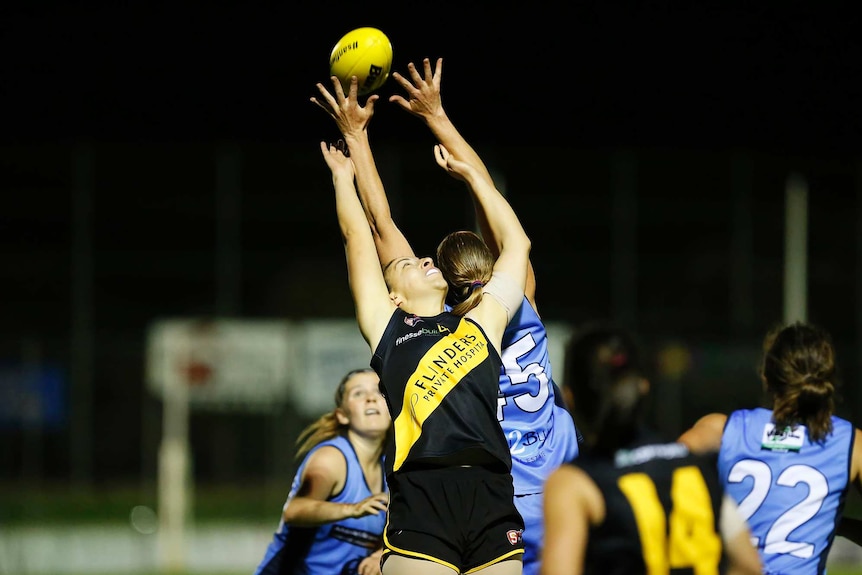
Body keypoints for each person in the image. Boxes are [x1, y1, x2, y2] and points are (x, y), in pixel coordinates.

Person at [315, 56, 579, 575]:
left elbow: (378, 223)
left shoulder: (449, 323)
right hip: (551, 485)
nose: (422, 263)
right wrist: (438, 118)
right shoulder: (510, 307)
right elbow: (509, 236)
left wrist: (358, 144)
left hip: (491, 489)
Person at [541, 322, 762, 575]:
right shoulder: (695, 465)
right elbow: (749, 566)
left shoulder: (574, 483)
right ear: (644, 387)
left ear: (569, 397)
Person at [678, 321, 862, 573]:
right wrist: (835, 524)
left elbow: (655, 475)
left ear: (766, 375)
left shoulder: (718, 430)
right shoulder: (852, 444)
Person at [253, 368, 391, 575]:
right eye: (358, 393)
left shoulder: (393, 470)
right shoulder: (331, 459)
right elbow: (295, 510)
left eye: (379, 391)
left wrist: (379, 554)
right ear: (342, 415)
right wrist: (351, 509)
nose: (371, 398)